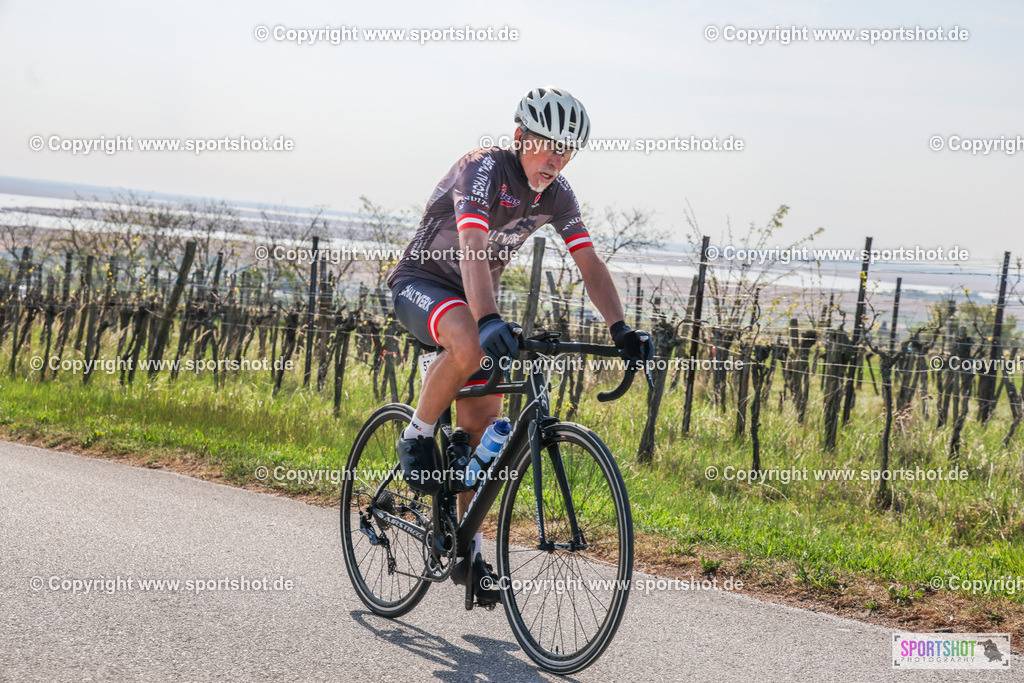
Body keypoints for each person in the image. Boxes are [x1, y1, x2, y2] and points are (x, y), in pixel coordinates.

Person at [387, 87, 653, 605]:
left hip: (471, 297)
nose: (556, 158)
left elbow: (590, 264)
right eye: (547, 144)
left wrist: (621, 328)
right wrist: (488, 318)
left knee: (480, 430)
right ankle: (416, 435)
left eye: (567, 149)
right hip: (421, 284)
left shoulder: (559, 195)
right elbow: (472, 246)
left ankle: (471, 554)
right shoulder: (482, 167)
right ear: (519, 137)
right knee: (468, 341)